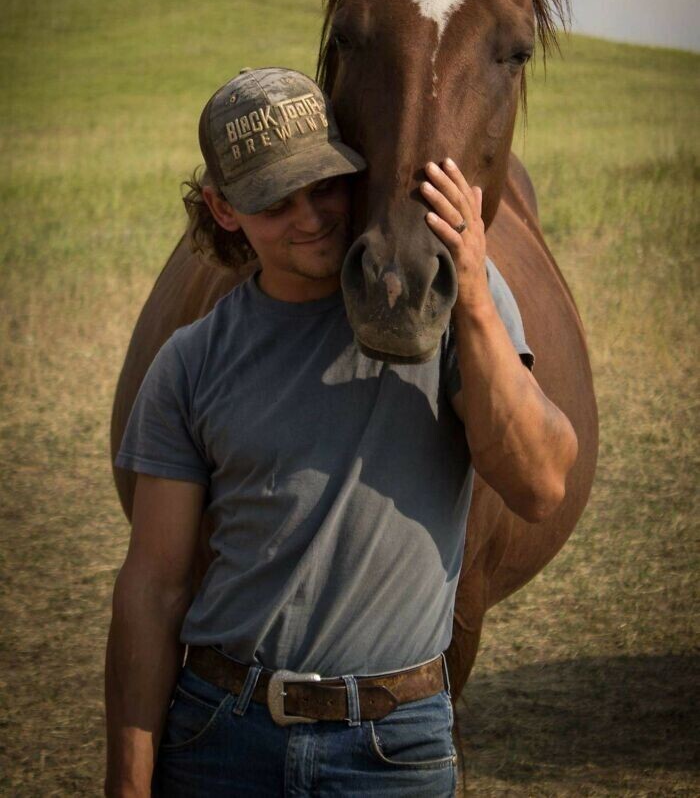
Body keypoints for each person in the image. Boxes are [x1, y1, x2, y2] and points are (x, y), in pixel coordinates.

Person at [105, 67, 578, 798]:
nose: (312, 217)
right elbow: (153, 588)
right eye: (275, 201)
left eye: (325, 185)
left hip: (393, 746)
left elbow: (543, 484)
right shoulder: (190, 364)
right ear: (222, 209)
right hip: (220, 735)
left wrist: (477, 297)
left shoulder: (446, 308)